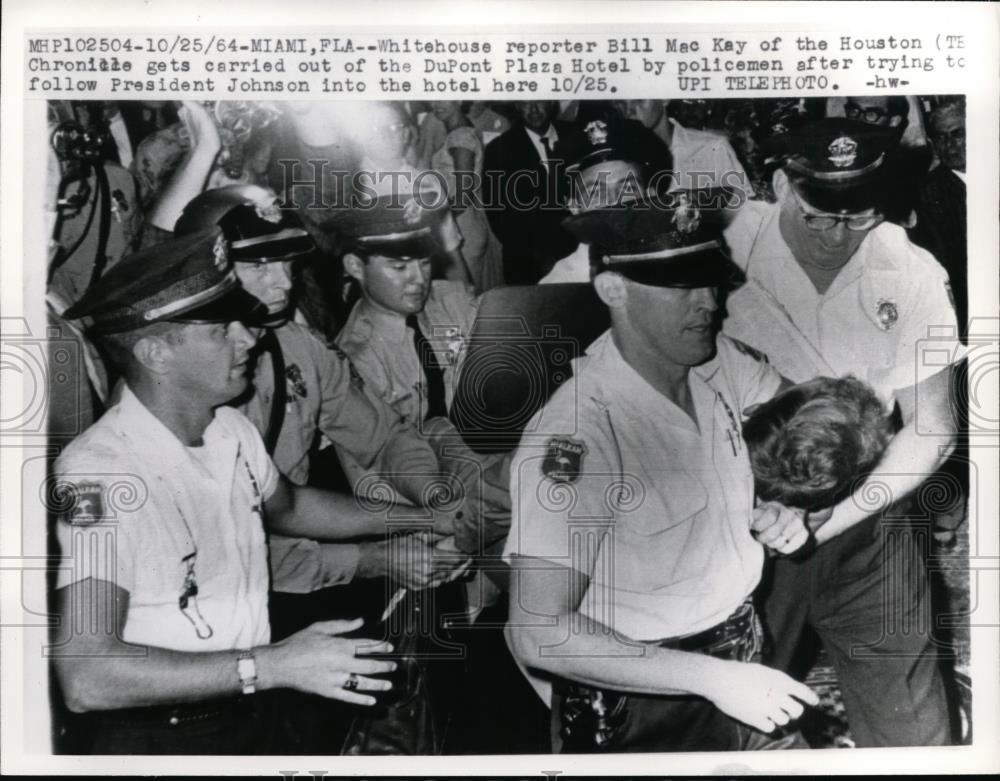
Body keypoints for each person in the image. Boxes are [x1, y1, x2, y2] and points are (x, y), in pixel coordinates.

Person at [51, 230, 401, 754]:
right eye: (220, 330)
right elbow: (88, 675)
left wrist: (418, 518)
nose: (250, 338)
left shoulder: (228, 430)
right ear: (154, 354)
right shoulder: (100, 473)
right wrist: (273, 664)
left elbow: (291, 506)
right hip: (158, 734)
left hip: (248, 703)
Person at [505, 188, 819, 753]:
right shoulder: (579, 434)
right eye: (681, 286)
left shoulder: (712, 366)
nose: (710, 302)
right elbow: (537, 631)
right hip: (642, 701)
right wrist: (713, 680)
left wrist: (777, 507)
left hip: (742, 653)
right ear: (613, 289)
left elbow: (802, 429)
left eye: (710, 281)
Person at [722, 118, 962, 746]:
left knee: (914, 731)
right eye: (818, 216)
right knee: (730, 724)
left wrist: (829, 522)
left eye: (857, 217)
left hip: (869, 509)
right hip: (741, 515)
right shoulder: (722, 243)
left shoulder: (909, 270)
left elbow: (932, 429)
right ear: (779, 185)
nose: (837, 236)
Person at [483, 100, 587, 284]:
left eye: (539, 101)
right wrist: (540, 259)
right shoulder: (499, 149)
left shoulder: (578, 135)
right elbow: (500, 218)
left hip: (582, 257)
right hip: (530, 266)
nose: (533, 109)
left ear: (552, 102)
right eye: (524, 103)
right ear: (516, 106)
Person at [428, 101, 504, 293]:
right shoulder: (462, 131)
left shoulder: (460, 136)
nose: (435, 103)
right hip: (465, 224)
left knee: (467, 299)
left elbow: (463, 196)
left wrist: (436, 221)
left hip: (462, 228)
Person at [619, 99, 753, 195]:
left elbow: (742, 214)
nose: (629, 110)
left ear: (665, 99)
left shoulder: (712, 148)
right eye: (621, 103)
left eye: (639, 99)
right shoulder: (619, 160)